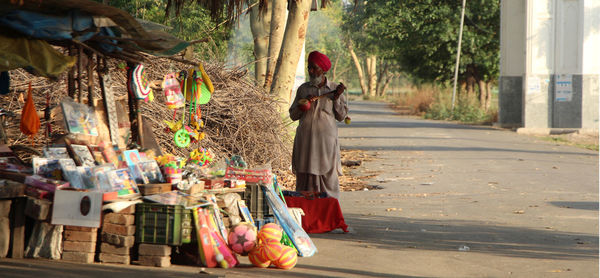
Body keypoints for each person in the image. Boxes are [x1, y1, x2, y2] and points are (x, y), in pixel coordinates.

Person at [289, 51, 348, 199]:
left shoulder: (334, 89)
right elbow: (293, 115)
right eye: (309, 68)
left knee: (327, 177)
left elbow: (341, 116)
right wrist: (302, 107)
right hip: (305, 141)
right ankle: (306, 213)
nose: (311, 71)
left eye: (315, 68)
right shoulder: (303, 89)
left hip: (325, 143)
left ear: (324, 70)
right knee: (305, 179)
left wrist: (336, 98)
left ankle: (329, 211)